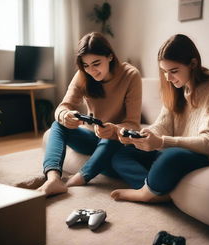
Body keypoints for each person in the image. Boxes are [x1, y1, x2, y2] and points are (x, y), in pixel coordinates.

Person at [110, 34, 209, 203]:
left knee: (171, 157)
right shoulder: (176, 88)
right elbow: (161, 126)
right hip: (173, 150)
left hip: (208, 155)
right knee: (120, 154)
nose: (168, 78)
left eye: (174, 71)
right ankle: (158, 191)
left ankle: (146, 193)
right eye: (164, 72)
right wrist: (138, 136)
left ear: (193, 64)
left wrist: (161, 142)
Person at [38, 32, 142, 196]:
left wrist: (114, 129)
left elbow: (134, 124)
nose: (91, 71)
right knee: (57, 124)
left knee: (111, 139)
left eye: (96, 63)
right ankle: (53, 178)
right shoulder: (83, 75)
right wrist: (64, 115)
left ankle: (80, 177)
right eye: (86, 65)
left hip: (118, 140)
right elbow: (62, 107)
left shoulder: (131, 75)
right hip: (93, 137)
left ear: (109, 57)